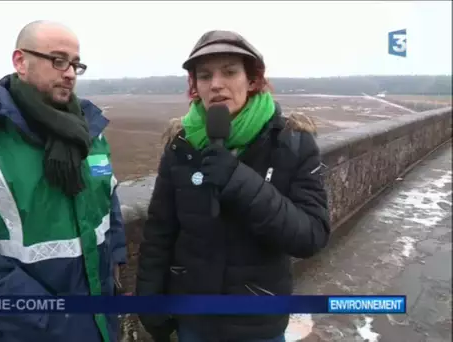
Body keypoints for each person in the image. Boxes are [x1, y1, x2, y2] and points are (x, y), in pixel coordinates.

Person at [0, 20, 126, 342]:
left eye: (76, 64)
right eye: (58, 60)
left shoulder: (90, 135)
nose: (70, 73)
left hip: (104, 324)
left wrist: (116, 261)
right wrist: (56, 319)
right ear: (20, 61)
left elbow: (109, 200)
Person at [135, 30, 331, 342]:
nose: (216, 84)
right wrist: (149, 301)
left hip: (259, 325)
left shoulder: (292, 141)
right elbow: (160, 231)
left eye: (229, 72)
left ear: (252, 80)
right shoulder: (182, 145)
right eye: (204, 75)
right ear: (195, 87)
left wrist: (238, 180)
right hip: (193, 321)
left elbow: (311, 236)